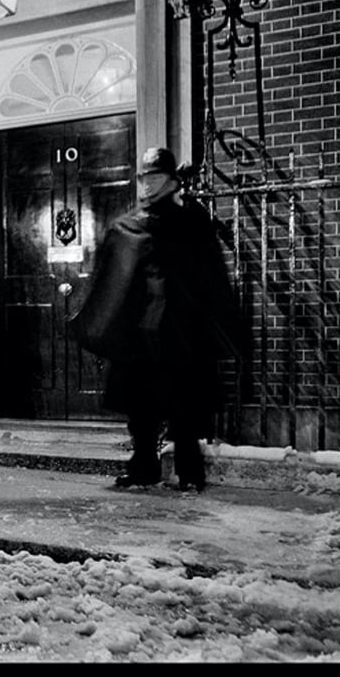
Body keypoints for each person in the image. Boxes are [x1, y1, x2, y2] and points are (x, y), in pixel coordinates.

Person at [69, 147, 242, 492]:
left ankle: (190, 474)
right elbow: (117, 280)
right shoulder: (130, 226)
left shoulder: (191, 224)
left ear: (171, 181)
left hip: (181, 334)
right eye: (145, 178)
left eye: (155, 177)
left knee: (185, 410)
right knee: (141, 409)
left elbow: (210, 279)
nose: (148, 185)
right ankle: (143, 468)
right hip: (141, 336)